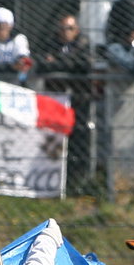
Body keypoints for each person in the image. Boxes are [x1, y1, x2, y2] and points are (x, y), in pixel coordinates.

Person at [36, 14, 95, 185]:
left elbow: (84, 65)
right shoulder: (50, 43)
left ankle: (79, 180)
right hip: (56, 100)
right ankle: (52, 178)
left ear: (76, 30)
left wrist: (58, 61)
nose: (65, 32)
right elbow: (42, 64)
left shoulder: (83, 43)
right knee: (54, 137)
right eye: (62, 28)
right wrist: (66, 63)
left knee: (79, 138)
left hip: (79, 98)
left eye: (69, 28)